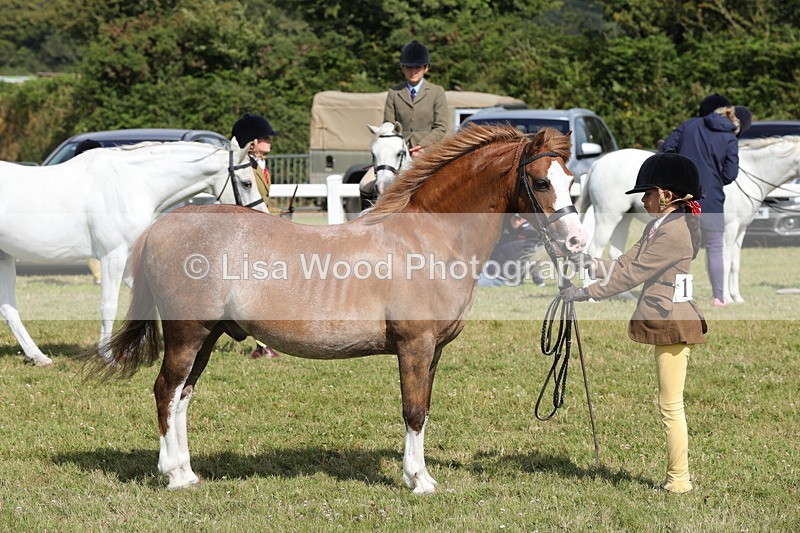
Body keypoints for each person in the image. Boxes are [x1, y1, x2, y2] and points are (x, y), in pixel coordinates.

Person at [561, 152, 707, 494]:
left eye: (648, 194)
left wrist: (586, 294)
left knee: (670, 406)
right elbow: (625, 261)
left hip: (674, 322)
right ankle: (678, 478)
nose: (643, 200)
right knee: (668, 404)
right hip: (669, 318)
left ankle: (679, 481)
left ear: (667, 196)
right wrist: (585, 261)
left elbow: (629, 275)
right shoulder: (663, 225)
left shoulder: (673, 233)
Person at [660, 93, 741, 306]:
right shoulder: (730, 135)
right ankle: (718, 297)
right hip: (713, 199)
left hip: (684, 197)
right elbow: (731, 174)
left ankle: (682, 295)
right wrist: (715, 180)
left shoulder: (688, 126)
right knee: (715, 247)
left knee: (682, 248)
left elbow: (666, 148)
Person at [359, 40, 448, 209]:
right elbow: (388, 125)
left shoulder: (437, 92)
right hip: (396, 152)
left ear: (426, 68)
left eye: (417, 67)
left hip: (427, 151)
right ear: (403, 69)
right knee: (365, 183)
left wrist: (422, 145)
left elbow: (441, 127)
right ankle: (363, 223)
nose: (413, 71)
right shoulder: (394, 92)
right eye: (408, 67)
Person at [231, 113, 281, 359]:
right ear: (251, 142)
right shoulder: (244, 167)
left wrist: (279, 214)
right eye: (264, 137)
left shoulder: (260, 165)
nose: (269, 140)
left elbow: (261, 201)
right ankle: (263, 343)